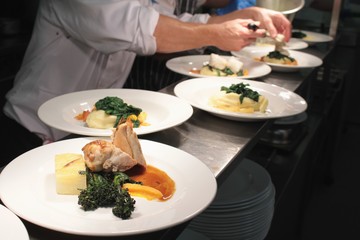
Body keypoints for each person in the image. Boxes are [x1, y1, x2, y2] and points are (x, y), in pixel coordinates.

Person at [1, 0, 291, 166]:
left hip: (89, 137)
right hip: (28, 132)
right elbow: (136, 27)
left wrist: (246, 16)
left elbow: (178, 20)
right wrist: (216, 33)